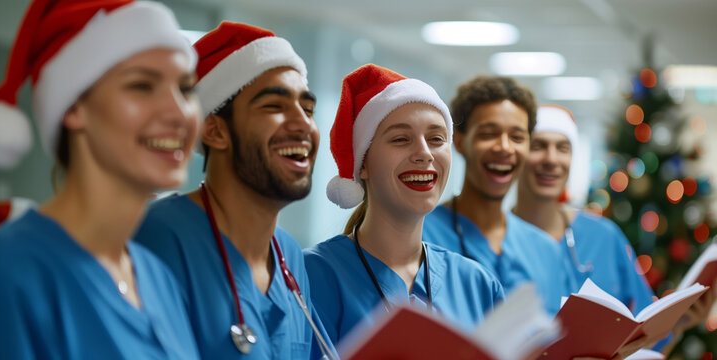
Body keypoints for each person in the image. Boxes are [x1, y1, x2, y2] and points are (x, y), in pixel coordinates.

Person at [0, 0, 201, 359]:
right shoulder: (12, 273)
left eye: (186, 89)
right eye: (142, 86)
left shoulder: (158, 278)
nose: (179, 112)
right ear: (74, 108)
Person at [134, 22, 336, 360]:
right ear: (214, 131)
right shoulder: (156, 240)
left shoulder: (288, 255)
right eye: (274, 106)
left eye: (308, 109)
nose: (303, 124)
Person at [304, 64, 504, 347]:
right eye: (401, 139)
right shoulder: (312, 277)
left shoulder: (478, 285)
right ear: (363, 165)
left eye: (436, 139)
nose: (424, 153)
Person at [513, 104, 717, 355]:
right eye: (538, 146)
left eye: (563, 148)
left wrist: (679, 324)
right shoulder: (495, 239)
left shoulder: (604, 236)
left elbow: (644, 340)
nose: (551, 159)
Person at [421, 75, 572, 315]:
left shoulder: (546, 251)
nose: (504, 147)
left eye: (517, 137)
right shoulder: (419, 236)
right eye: (488, 134)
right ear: (459, 141)